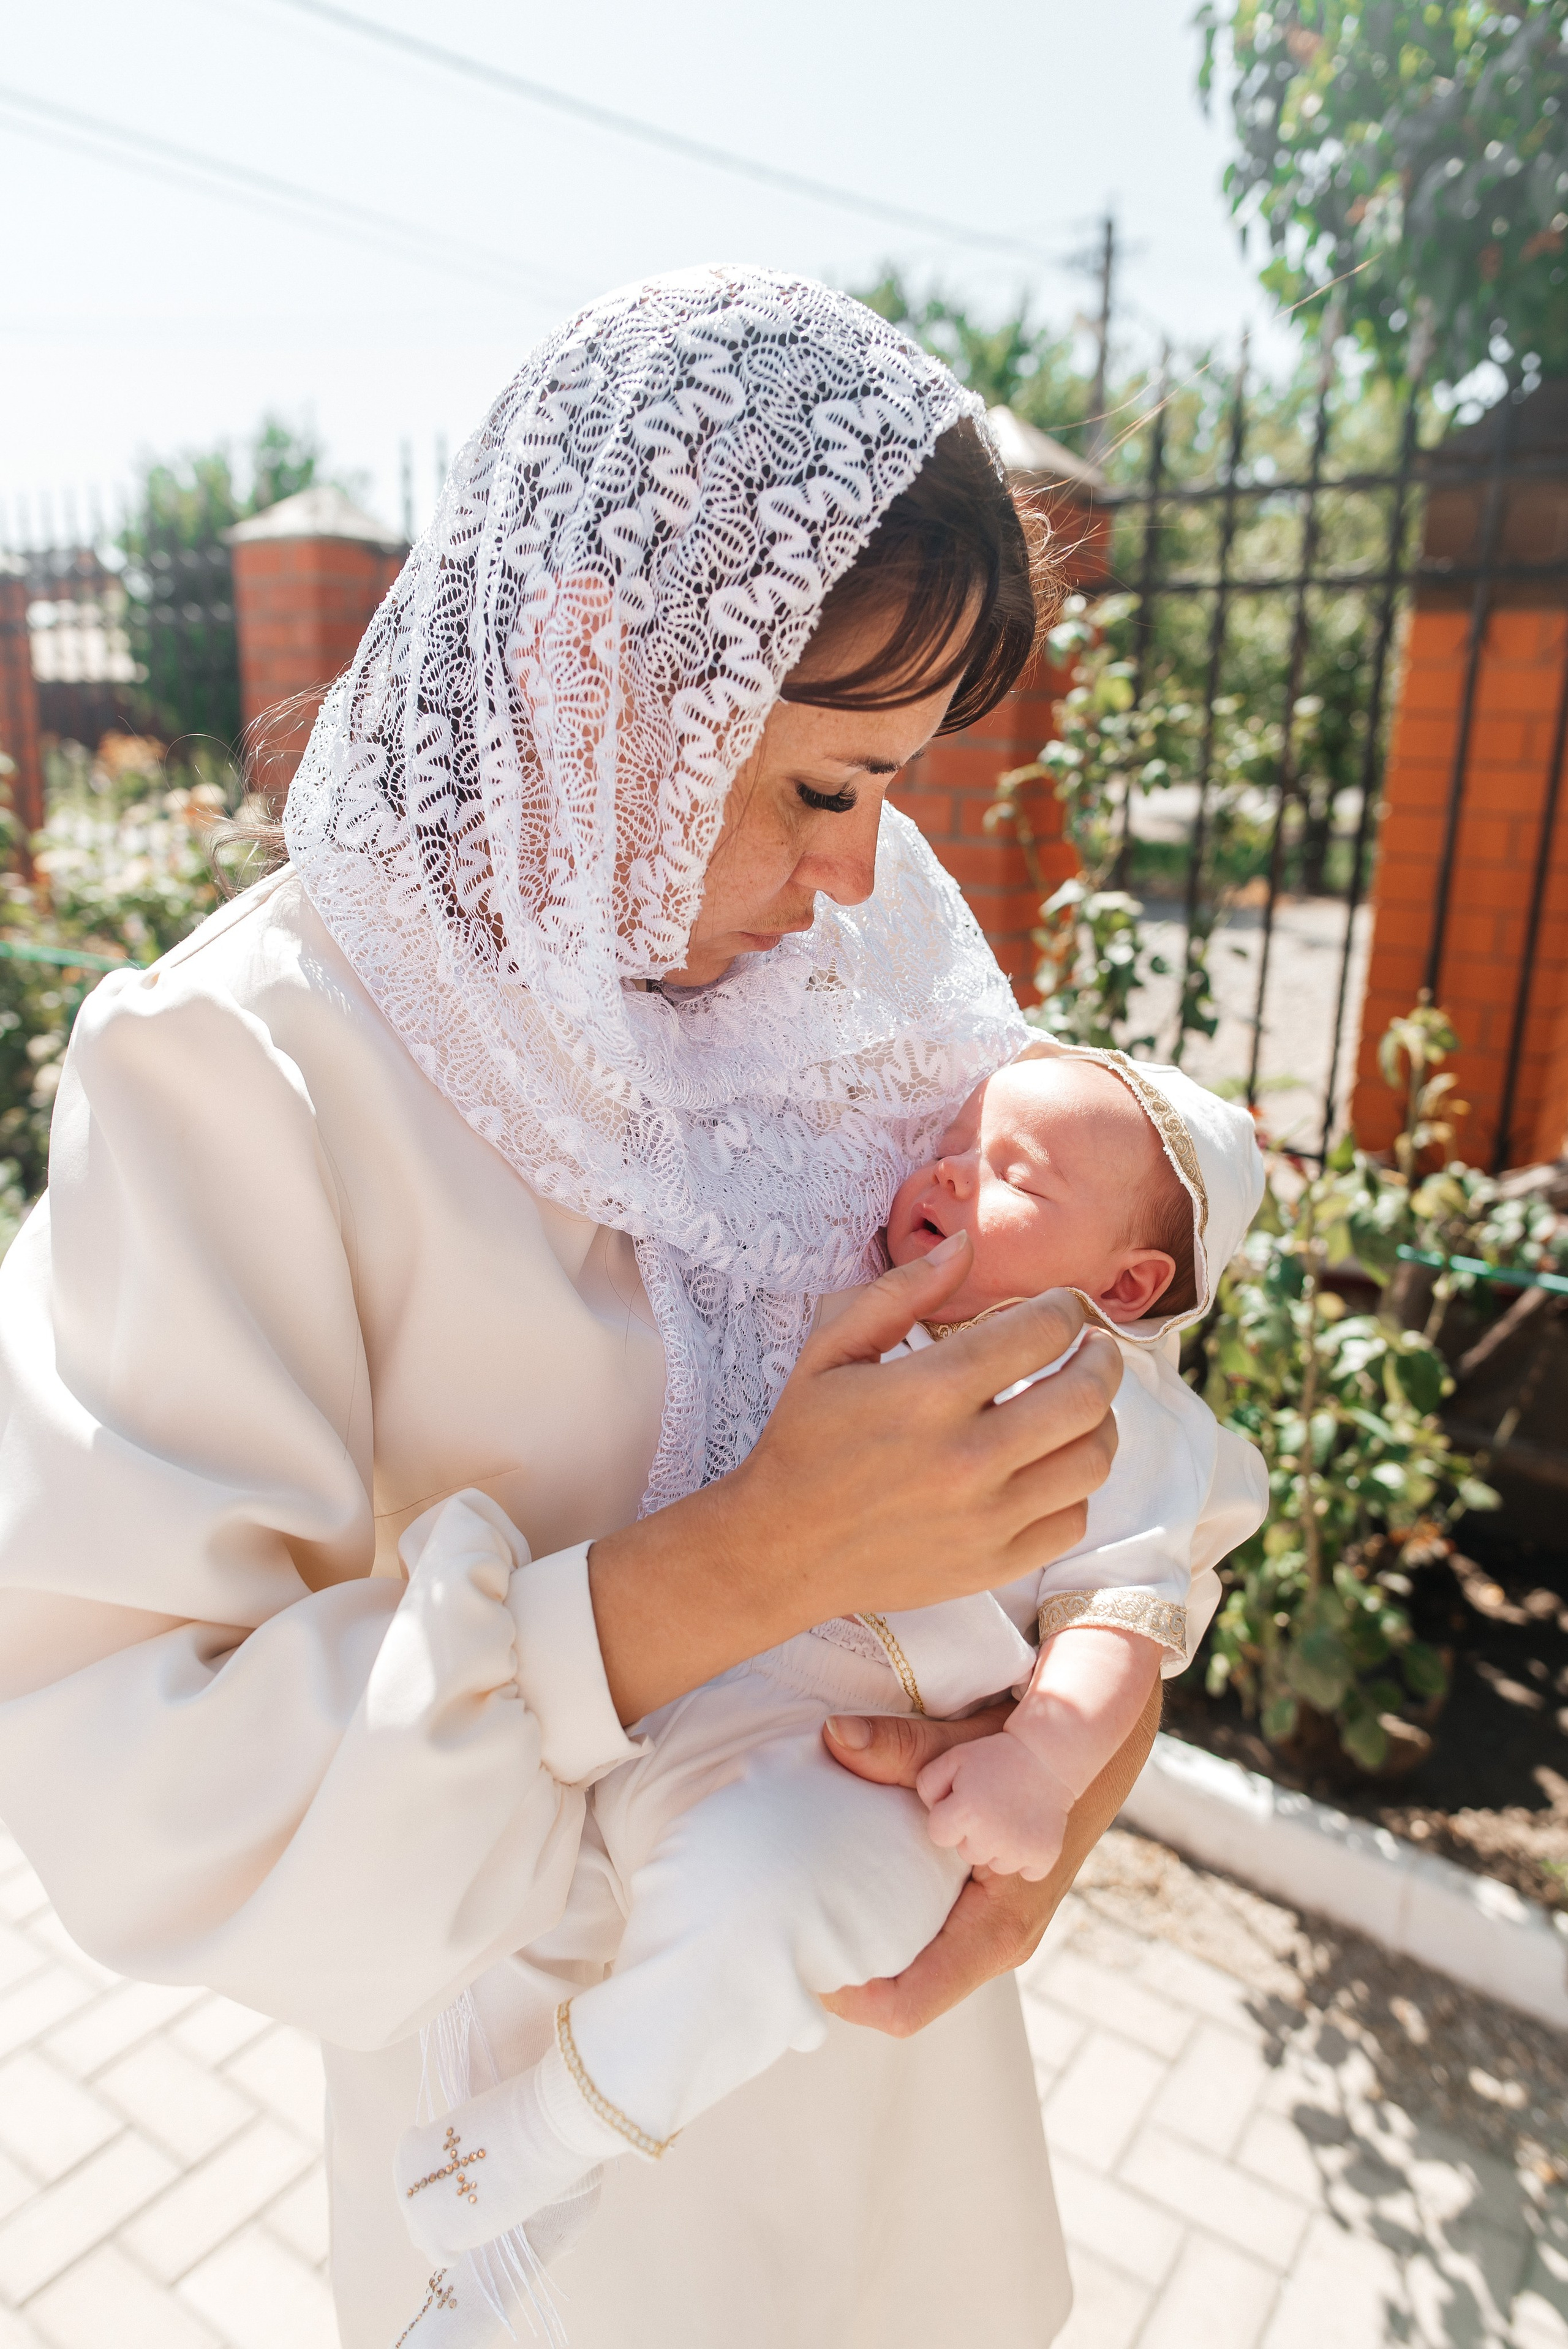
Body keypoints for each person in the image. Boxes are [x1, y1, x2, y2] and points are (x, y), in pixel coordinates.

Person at [0, 268, 1148, 2349]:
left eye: (896, 783)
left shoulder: (868, 969)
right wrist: (725, 1572)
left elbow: (1097, 1380)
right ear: (597, 666)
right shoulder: (245, 1070)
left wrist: (1100, 1714)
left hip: (905, 2096)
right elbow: (129, 1770)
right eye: (822, 782)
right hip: (559, 2192)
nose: (859, 870)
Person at [388, 1046, 1267, 2346]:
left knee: (768, 1895)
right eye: (958, 1138)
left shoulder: (1110, 1413)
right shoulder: (884, 1297)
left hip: (854, 1762)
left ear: (1124, 1286)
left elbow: (1120, 1617)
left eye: (1010, 1173)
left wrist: (1041, 1765)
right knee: (541, 1888)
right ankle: (504, 2243)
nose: (953, 1169)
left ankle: (545, 2143)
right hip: (675, 1672)